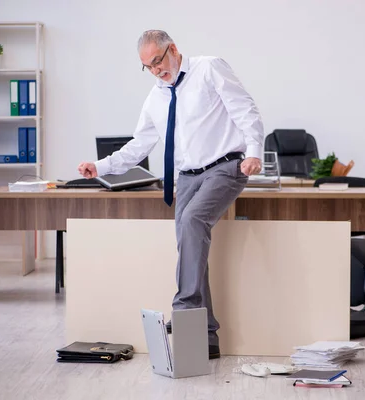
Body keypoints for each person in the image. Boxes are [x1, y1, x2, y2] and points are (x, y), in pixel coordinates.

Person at [77, 30, 264, 359]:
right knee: (192, 250)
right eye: (147, 66)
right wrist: (100, 166)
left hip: (225, 166)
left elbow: (245, 109)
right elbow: (139, 145)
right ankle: (206, 339)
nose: (155, 70)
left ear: (173, 49)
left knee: (192, 221)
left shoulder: (209, 68)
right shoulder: (156, 98)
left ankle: (184, 310)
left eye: (158, 61)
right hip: (186, 178)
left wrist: (254, 151)